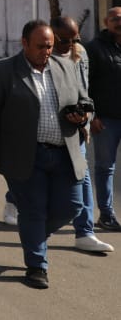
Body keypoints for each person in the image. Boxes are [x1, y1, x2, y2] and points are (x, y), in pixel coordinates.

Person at [0, 20, 94, 289]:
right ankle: (37, 266)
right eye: (40, 46)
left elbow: (86, 102)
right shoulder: (3, 71)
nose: (46, 51)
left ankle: (34, 237)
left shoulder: (66, 66)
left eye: (50, 46)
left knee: (72, 207)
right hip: (26, 155)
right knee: (33, 210)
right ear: (24, 43)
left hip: (65, 153)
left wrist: (83, 117)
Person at [51, 16, 112, 254]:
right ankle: (15, 202)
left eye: (75, 39)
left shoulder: (80, 53)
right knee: (36, 178)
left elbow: (85, 90)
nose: (71, 44)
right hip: (44, 132)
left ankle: (85, 233)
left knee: (82, 177)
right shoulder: (41, 54)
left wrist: (86, 115)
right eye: (65, 40)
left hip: (75, 129)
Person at [86, 6, 121, 232]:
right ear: (106, 22)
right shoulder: (94, 48)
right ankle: (106, 215)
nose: (119, 22)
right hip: (106, 120)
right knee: (105, 168)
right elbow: (85, 84)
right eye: (114, 19)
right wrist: (93, 115)